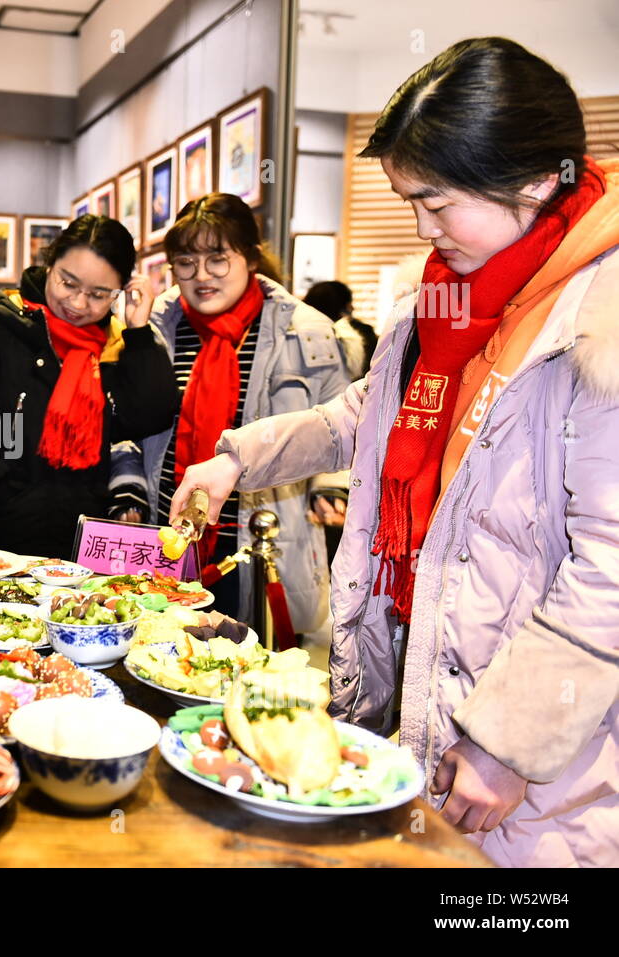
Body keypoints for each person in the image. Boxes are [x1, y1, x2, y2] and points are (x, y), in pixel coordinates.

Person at [172, 37, 619, 867]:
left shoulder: (602, 318)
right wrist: (238, 456)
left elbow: (612, 567)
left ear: (532, 179)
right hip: (424, 684)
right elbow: (363, 412)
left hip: (546, 764)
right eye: (408, 200)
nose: (422, 229)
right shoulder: (447, 295)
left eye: (438, 202)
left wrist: (512, 740)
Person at [108, 194, 349, 631]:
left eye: (218, 259)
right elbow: (121, 418)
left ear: (251, 257)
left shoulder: (305, 330)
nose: (201, 277)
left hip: (259, 536)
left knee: (249, 665)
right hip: (164, 534)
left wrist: (332, 487)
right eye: (185, 262)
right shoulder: (151, 323)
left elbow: (340, 420)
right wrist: (127, 485)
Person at [0, 214, 178, 559]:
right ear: (50, 264)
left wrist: (140, 332)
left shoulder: (115, 347)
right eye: (68, 283)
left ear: (119, 292)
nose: (78, 303)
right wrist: (2, 492)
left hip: (90, 551)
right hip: (2, 547)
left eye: (99, 294)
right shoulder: (0, 334)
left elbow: (150, 418)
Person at [304, 280, 377, 378]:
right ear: (344, 306)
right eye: (349, 303)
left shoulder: (299, 331)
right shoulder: (363, 333)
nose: (352, 308)